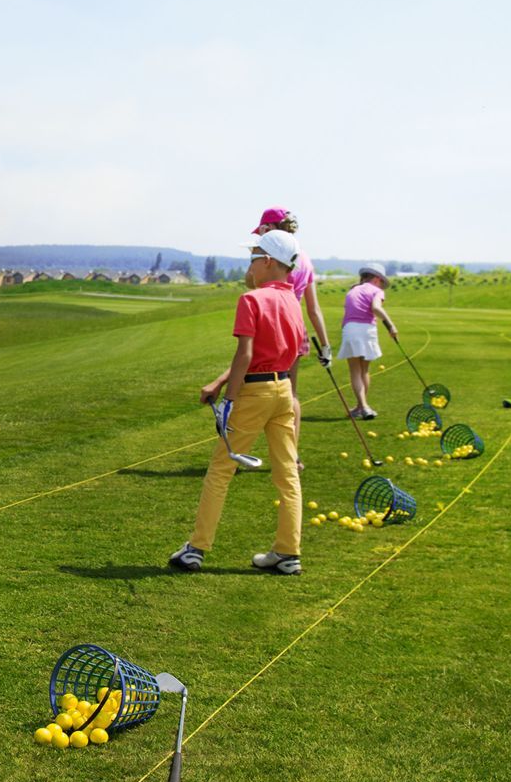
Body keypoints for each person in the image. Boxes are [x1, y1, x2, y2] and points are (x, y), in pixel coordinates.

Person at [169, 228, 307, 576]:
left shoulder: (252, 300)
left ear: (268, 261)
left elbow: (245, 354)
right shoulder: (293, 300)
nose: (250, 266)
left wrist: (229, 400)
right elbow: (292, 354)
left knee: (220, 470)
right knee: (287, 475)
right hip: (283, 391)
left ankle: (196, 548)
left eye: (253, 258)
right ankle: (288, 553)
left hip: (254, 393)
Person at [249, 208, 330, 466]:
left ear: (269, 228)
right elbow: (313, 308)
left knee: (252, 388)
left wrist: (255, 257)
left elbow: (251, 283)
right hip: (295, 327)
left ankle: (239, 449)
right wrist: (325, 346)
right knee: (289, 393)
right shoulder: (303, 258)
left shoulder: (270, 257)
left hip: (269, 323)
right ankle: (291, 456)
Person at [336, 264, 399, 418]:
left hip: (350, 329)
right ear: (377, 279)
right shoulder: (377, 291)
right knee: (364, 371)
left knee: (355, 371)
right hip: (367, 330)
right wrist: (391, 325)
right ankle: (364, 406)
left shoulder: (353, 290)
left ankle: (360, 407)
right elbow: (376, 308)